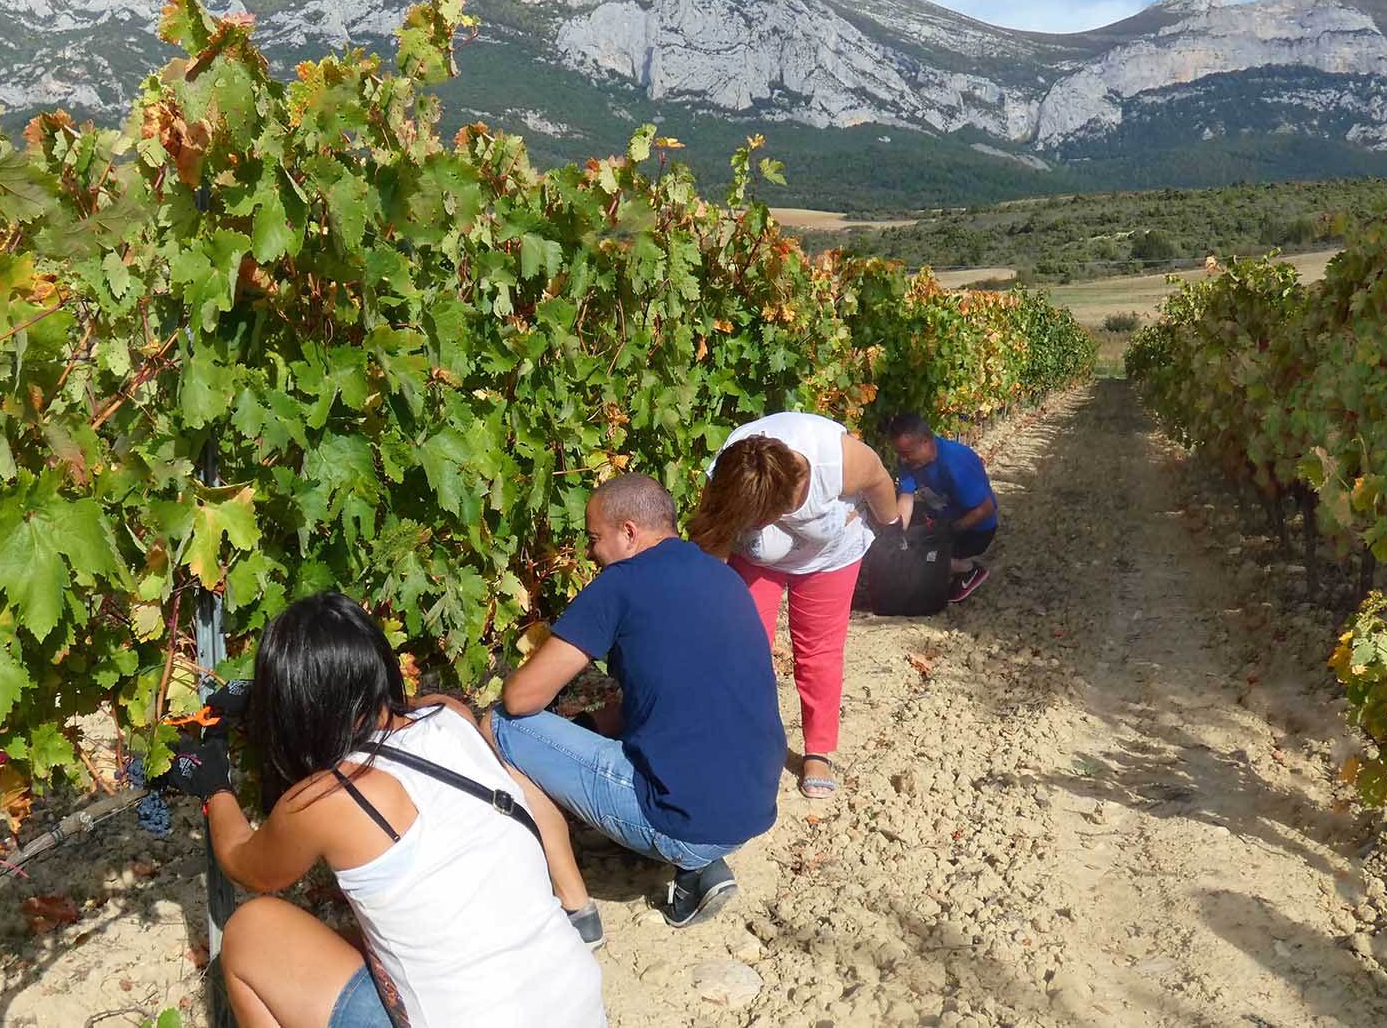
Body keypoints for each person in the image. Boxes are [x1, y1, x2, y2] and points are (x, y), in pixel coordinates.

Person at [150, 592, 606, 1028]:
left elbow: (243, 863)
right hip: (576, 1006)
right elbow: (395, 715)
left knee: (251, 933)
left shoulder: (331, 798)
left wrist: (214, 785)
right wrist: (268, 700)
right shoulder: (451, 716)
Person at [484, 474, 786, 937]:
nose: (589, 552)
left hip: (683, 822)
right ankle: (699, 869)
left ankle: (575, 909)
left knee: (501, 726)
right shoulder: (722, 576)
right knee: (619, 713)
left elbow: (522, 699)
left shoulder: (619, 584)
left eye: (593, 538)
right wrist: (588, 721)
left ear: (628, 532)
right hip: (753, 806)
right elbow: (669, 698)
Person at [687, 411, 899, 799]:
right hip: (757, 562)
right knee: (740, 646)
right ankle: (741, 738)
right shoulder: (730, 477)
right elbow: (713, 540)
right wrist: (708, 596)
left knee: (818, 651)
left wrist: (891, 525)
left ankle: (817, 751)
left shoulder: (835, 461)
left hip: (830, 556)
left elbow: (880, 480)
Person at [885, 412, 999, 603]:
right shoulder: (909, 460)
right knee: (905, 546)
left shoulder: (955, 463)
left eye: (907, 454)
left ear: (926, 442)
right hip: (943, 516)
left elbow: (986, 509)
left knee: (921, 557)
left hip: (975, 530)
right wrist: (897, 534)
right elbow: (906, 498)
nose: (903, 460)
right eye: (900, 454)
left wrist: (949, 531)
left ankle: (969, 570)